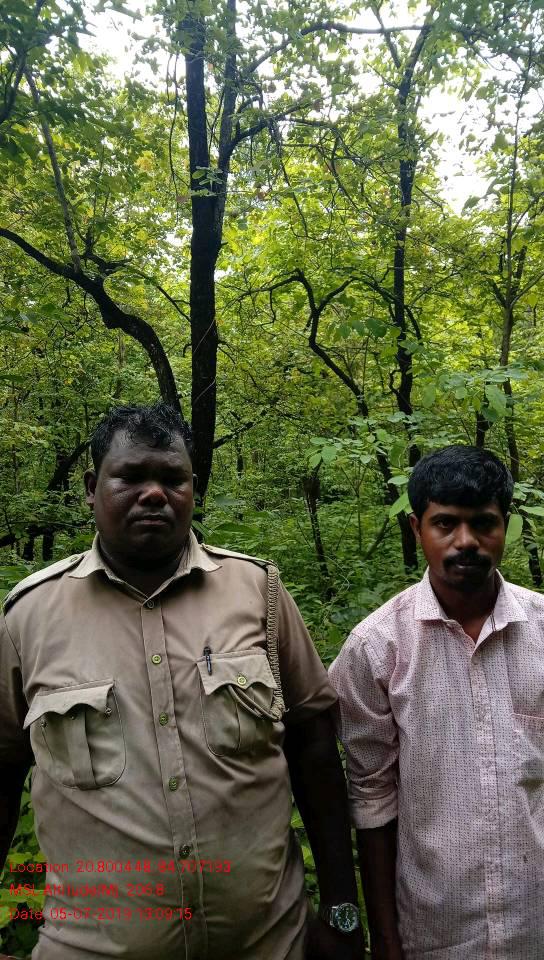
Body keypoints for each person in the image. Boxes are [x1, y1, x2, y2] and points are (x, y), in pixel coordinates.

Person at [0, 403, 364, 960]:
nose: (154, 494)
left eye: (173, 479)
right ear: (91, 487)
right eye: (131, 477)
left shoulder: (259, 594)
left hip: (268, 944)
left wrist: (341, 910)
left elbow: (315, 752)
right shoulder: (27, 618)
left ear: (194, 489)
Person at [329, 444, 544, 960]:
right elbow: (372, 800)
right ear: (416, 528)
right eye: (445, 523)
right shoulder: (376, 647)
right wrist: (386, 940)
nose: (465, 541)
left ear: (506, 525)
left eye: (483, 523)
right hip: (434, 930)